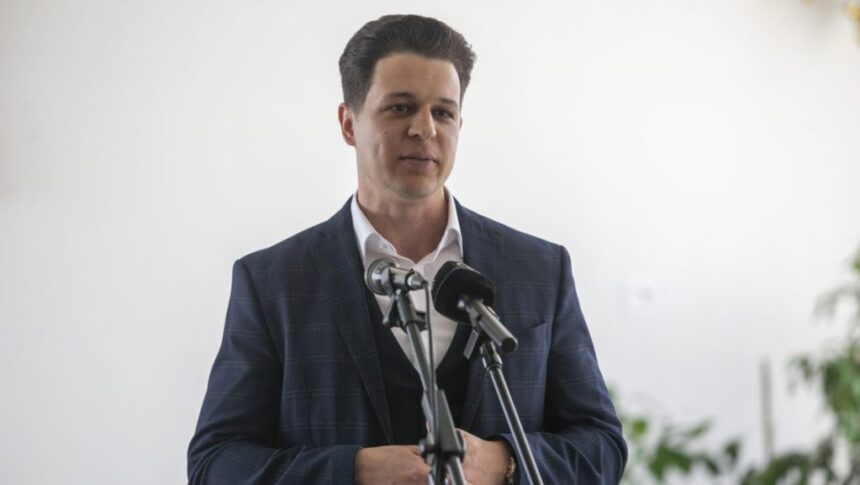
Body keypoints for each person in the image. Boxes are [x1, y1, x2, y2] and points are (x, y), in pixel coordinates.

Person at [188, 14, 627, 484]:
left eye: (443, 113)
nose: (425, 129)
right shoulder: (271, 281)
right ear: (348, 123)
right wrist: (355, 471)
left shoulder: (541, 270)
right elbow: (215, 464)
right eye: (400, 108)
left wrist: (505, 462)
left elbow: (602, 446)